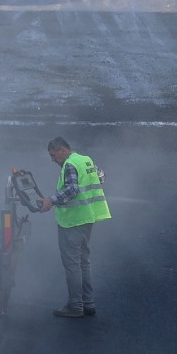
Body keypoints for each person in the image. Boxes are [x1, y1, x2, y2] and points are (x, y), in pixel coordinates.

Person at [38, 136, 111, 318]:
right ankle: (88, 303)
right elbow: (100, 177)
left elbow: (72, 189)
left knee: (72, 265)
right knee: (84, 262)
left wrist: (50, 201)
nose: (53, 160)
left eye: (53, 155)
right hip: (88, 217)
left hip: (73, 221)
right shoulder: (85, 160)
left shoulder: (70, 164)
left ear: (63, 150)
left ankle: (76, 306)